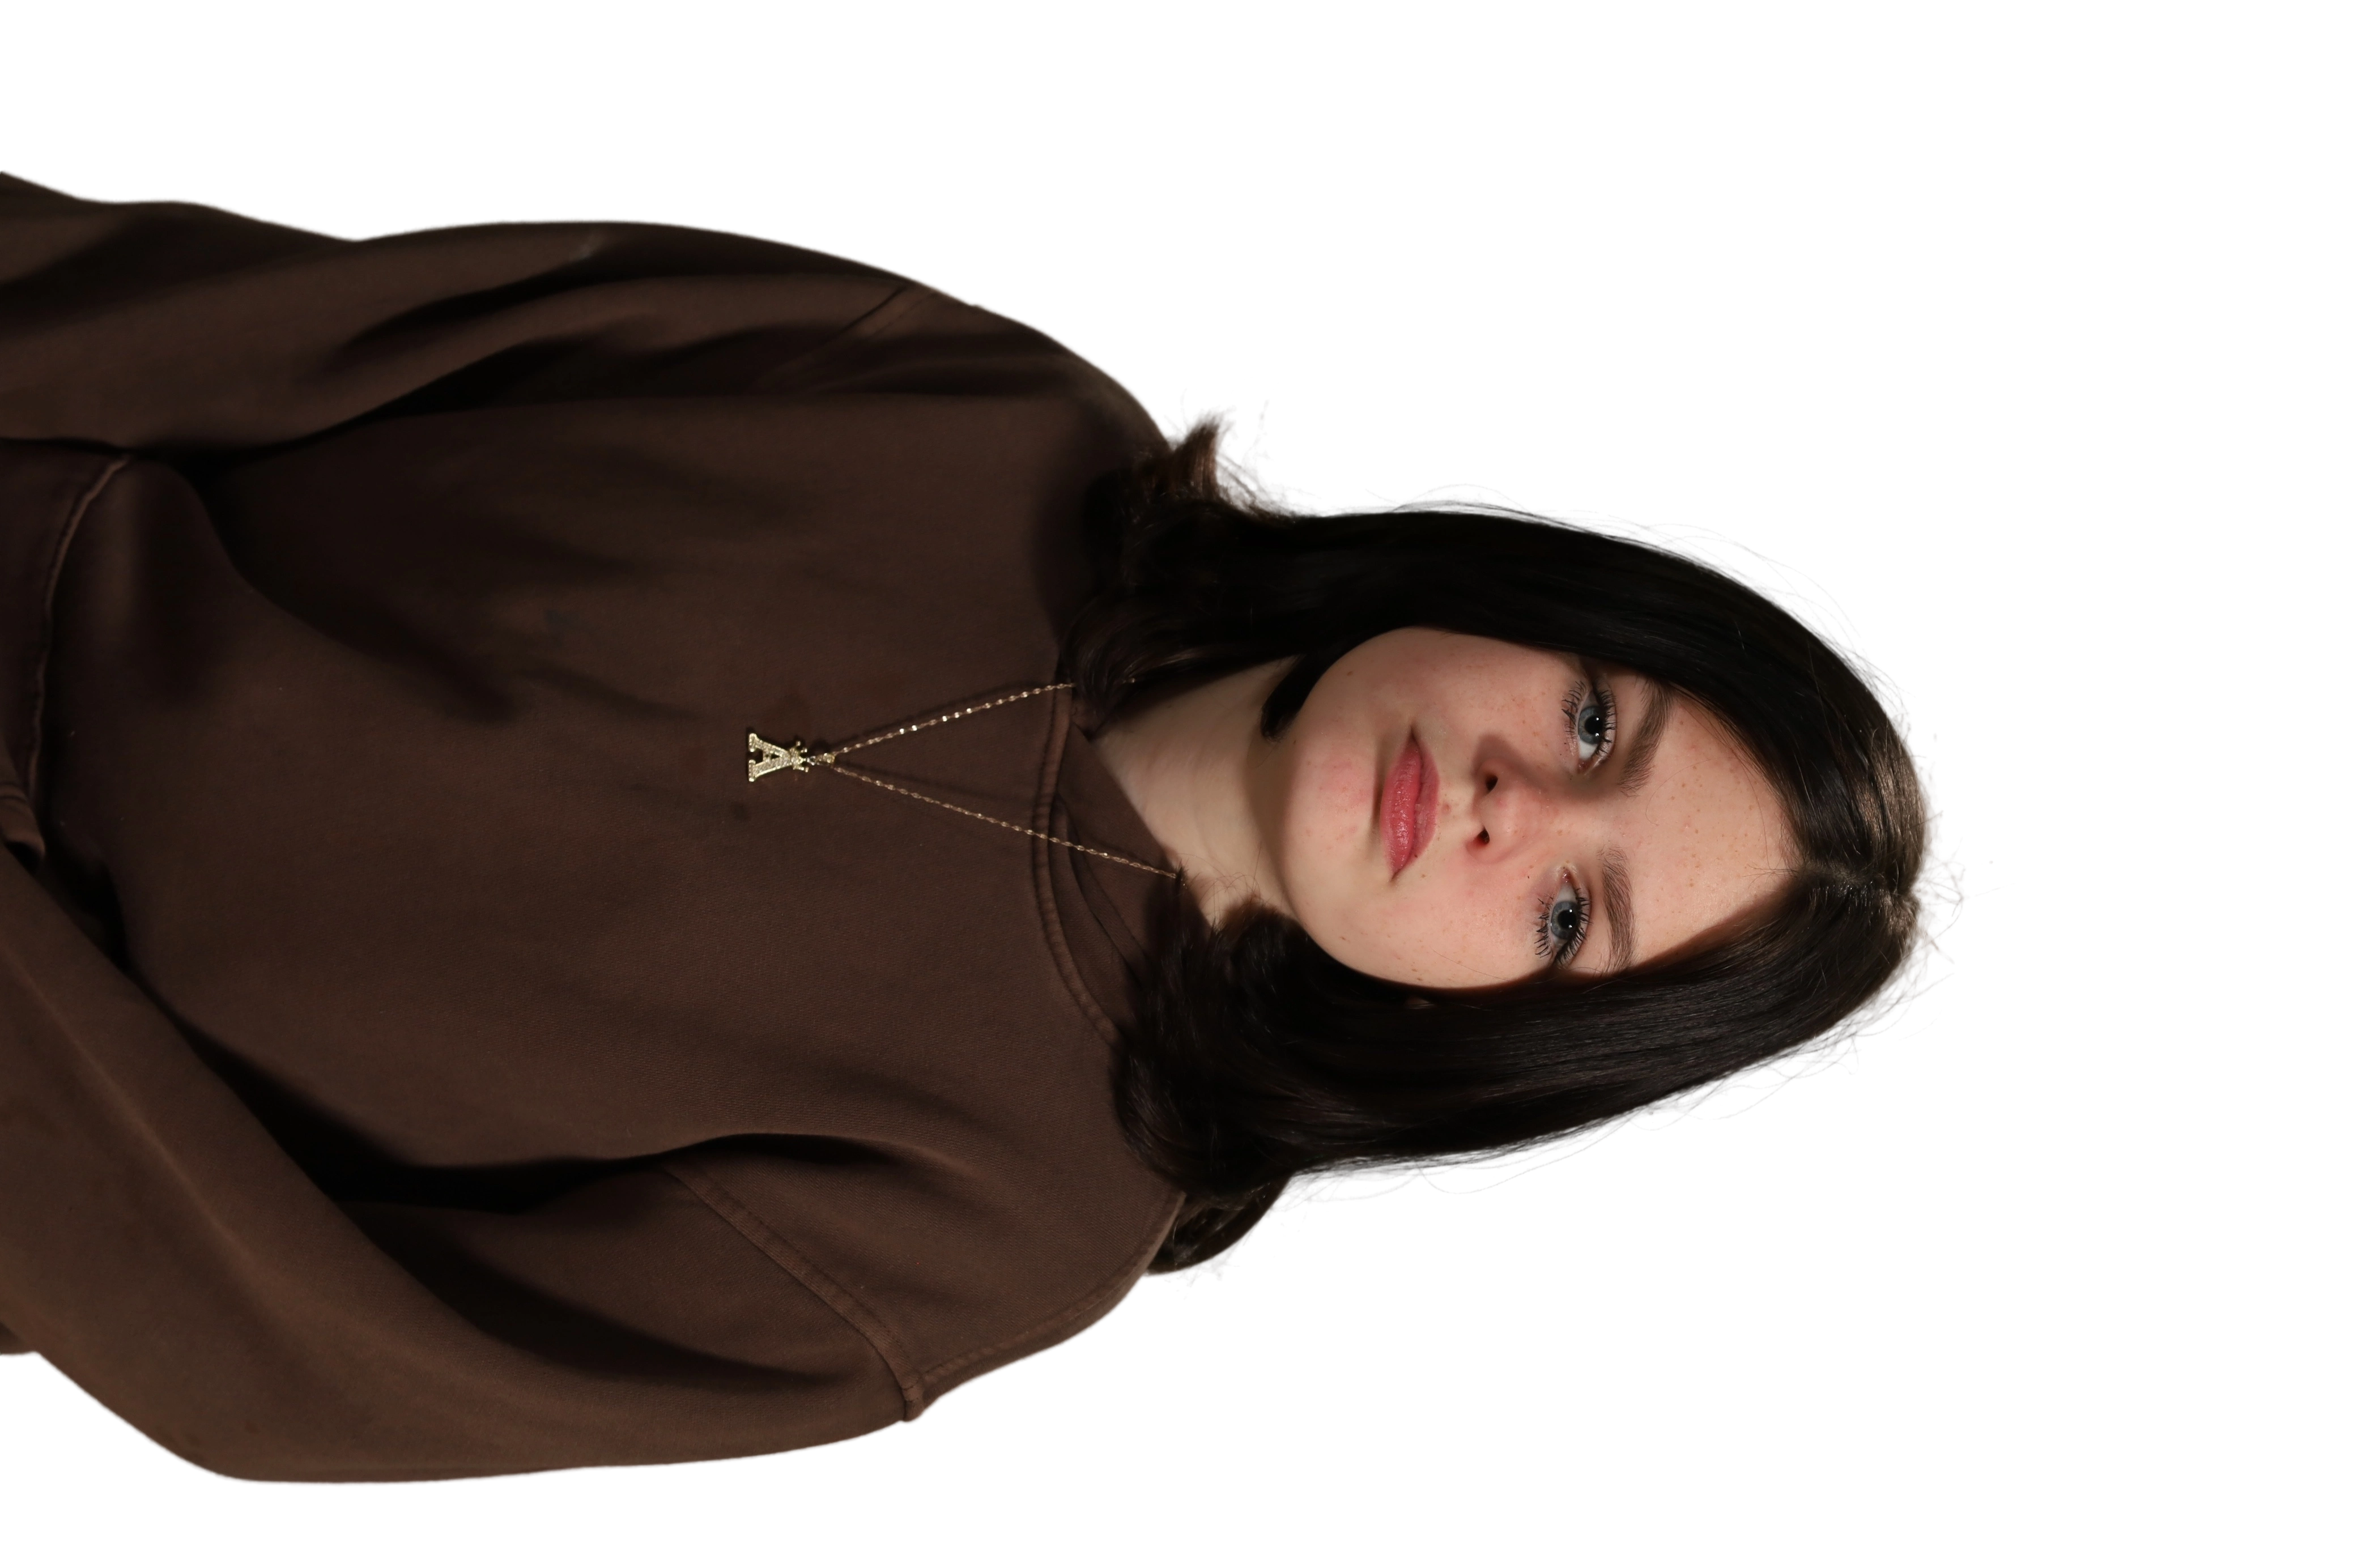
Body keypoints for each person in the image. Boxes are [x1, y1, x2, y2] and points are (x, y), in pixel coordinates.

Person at [0, 170, 1964, 1487]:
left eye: (1566, 918)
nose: (1506, 807)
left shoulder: (996, 1233)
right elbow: (265, 326)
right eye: (1595, 721)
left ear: (1503, 1039)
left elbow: (284, 1356)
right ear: (1536, 599)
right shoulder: (988, 412)